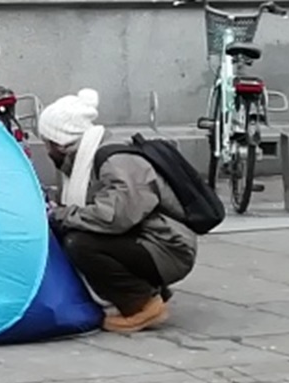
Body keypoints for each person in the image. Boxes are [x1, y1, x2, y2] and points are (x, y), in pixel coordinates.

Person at [37, 89, 196, 333]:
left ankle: (142, 305)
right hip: (150, 239)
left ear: (60, 143)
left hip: (170, 246)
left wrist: (61, 214)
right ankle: (148, 290)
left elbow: (117, 217)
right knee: (72, 232)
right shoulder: (85, 159)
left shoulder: (115, 160)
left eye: (47, 142)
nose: (47, 151)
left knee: (79, 243)